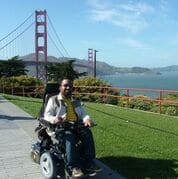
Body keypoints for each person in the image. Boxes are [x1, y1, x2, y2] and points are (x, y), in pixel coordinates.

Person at [44, 79, 101, 178]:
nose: (68, 88)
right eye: (65, 85)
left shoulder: (75, 101)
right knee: (69, 137)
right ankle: (73, 167)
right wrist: (55, 119)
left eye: (70, 86)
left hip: (76, 125)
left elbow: (84, 114)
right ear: (60, 87)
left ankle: (89, 163)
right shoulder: (53, 100)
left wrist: (87, 119)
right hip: (61, 127)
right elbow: (46, 115)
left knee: (87, 133)